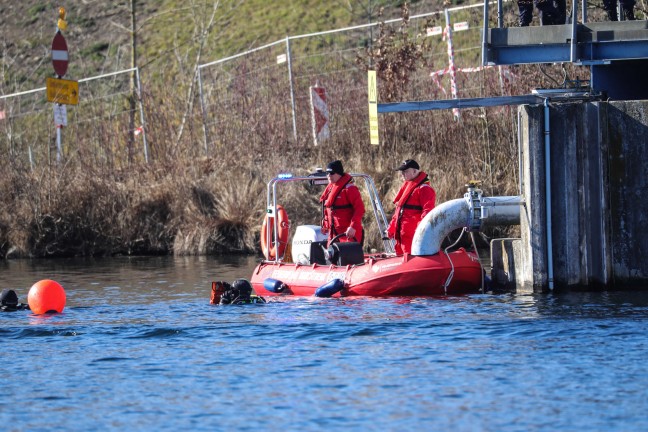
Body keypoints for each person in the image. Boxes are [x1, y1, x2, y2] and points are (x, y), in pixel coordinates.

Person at [386, 159, 436, 255]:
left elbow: (427, 213)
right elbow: (398, 212)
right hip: (401, 236)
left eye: (405, 171)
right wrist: (391, 229)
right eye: (402, 172)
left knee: (410, 261)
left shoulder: (424, 189)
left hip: (413, 237)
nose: (402, 174)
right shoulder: (408, 187)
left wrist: (421, 233)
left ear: (414, 171)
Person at [319, 160, 365, 245]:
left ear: (339, 173)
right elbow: (329, 209)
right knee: (331, 256)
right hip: (333, 233)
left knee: (348, 256)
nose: (329, 175)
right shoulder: (330, 189)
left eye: (332, 173)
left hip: (349, 233)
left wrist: (353, 227)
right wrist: (325, 225)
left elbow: (360, 209)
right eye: (327, 173)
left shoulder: (350, 189)